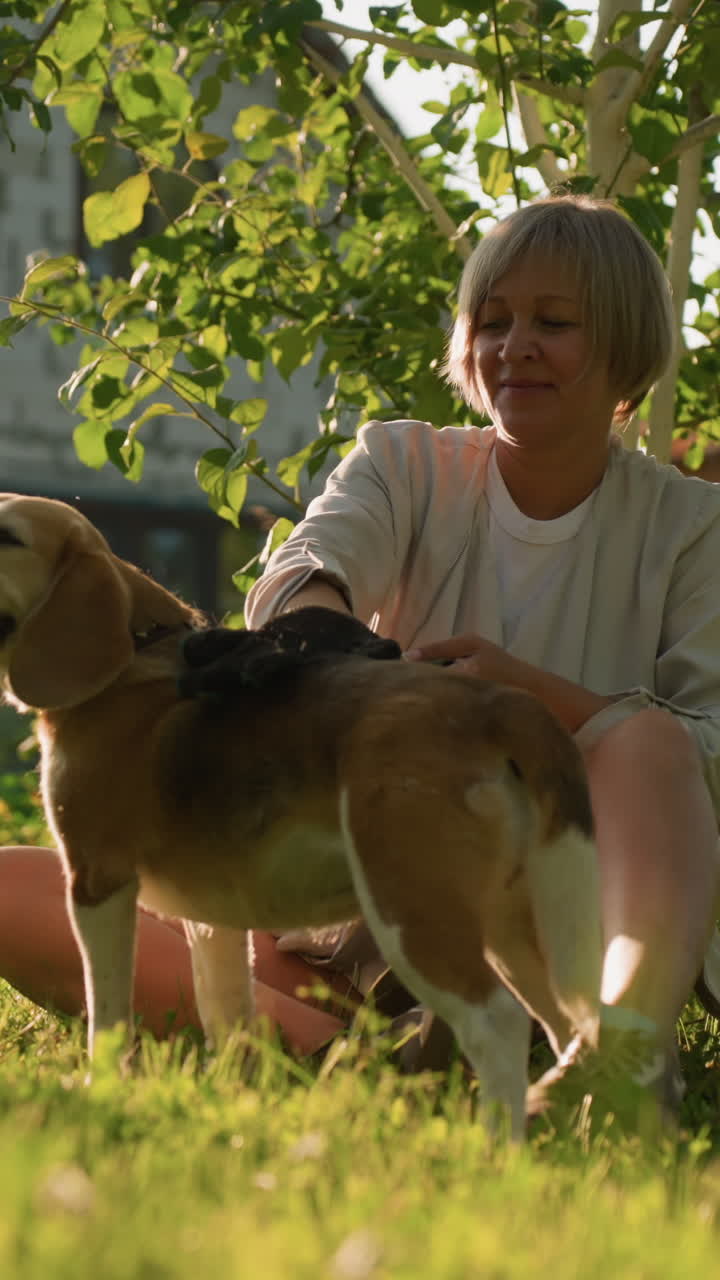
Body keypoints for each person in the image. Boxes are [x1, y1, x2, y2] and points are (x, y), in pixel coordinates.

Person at [1, 193, 719, 1120]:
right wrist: (329, 629)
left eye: (555, 323)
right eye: (491, 322)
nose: (514, 347)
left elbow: (708, 747)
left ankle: (611, 1052)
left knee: (654, 744)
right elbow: (304, 570)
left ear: (624, 347)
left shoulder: (694, 526)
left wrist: (527, 694)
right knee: (22, 888)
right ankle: (371, 1063)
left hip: (544, 905)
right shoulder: (403, 462)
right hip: (357, 887)